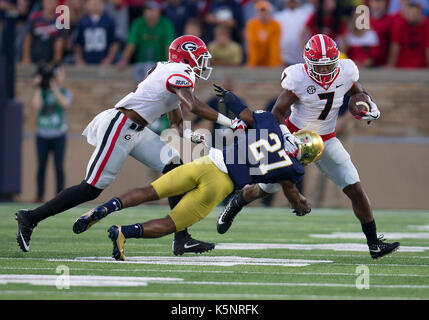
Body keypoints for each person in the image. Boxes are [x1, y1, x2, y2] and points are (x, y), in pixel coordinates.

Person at [15, 35, 246, 256]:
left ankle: (181, 239)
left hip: (137, 130)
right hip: (121, 125)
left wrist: (188, 133)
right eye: (201, 57)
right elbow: (194, 106)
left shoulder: (171, 72)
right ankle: (31, 217)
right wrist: (232, 121)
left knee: (176, 168)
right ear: (187, 57)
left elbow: (175, 118)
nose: (204, 63)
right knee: (91, 188)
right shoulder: (179, 70)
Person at [217, 34, 400, 260]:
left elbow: (358, 92)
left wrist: (369, 105)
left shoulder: (347, 70)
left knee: (354, 186)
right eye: (319, 67)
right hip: (294, 136)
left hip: (327, 138)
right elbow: (277, 112)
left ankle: (374, 244)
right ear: (307, 64)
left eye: (328, 66)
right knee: (267, 188)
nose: (324, 72)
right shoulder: (299, 78)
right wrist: (286, 136)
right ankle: (237, 202)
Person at [80, 93, 324, 261]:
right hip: (219, 184)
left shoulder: (270, 123)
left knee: (150, 191)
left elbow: (246, 113)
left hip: (207, 162)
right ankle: (124, 232)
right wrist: (303, 205)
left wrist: (229, 97)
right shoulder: (292, 168)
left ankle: (104, 208)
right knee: (170, 223)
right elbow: (292, 193)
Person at [31, 64, 72, 203]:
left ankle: (59, 197)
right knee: (41, 167)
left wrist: (54, 88)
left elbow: (65, 103)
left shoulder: (65, 91)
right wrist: (37, 87)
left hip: (58, 134)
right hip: (42, 134)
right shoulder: (41, 91)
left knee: (59, 167)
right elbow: (36, 106)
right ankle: (39, 195)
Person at [116, 1, 175, 69]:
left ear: (159, 11)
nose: (150, 13)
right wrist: (124, 60)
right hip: (141, 64)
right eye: (147, 10)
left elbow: (168, 46)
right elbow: (131, 44)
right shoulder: (138, 23)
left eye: (153, 10)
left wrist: (169, 64)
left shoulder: (166, 24)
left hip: (161, 65)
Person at [73, 0, 121, 65]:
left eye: (97, 2)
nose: (95, 5)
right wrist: (79, 59)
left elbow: (115, 43)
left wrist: (109, 59)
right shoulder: (82, 22)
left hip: (103, 62)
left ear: (102, 4)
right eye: (92, 2)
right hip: (86, 62)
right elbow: (77, 43)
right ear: (87, 5)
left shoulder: (109, 21)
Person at [21, 0, 66, 65]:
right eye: (48, 1)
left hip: (51, 61)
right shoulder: (34, 17)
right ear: (42, 2)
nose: (50, 3)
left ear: (56, 3)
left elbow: (59, 43)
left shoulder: (60, 20)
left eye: (53, 1)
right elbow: (28, 38)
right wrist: (26, 58)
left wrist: (56, 62)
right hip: (34, 60)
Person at [388, 2, 429, 69]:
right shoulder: (400, 24)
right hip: (402, 68)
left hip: (421, 67)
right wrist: (391, 66)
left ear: (420, 14)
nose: (413, 16)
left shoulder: (426, 25)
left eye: (415, 13)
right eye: (410, 13)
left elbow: (427, 49)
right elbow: (395, 47)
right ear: (405, 14)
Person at [274, 0, 315, 66]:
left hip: (302, 58)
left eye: (293, 1)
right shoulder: (278, 16)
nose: (292, 3)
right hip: (283, 57)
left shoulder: (306, 15)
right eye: (290, 1)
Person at [245, 1, 283, 67]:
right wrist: (252, 64)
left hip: (271, 63)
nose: (263, 14)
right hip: (255, 63)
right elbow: (253, 44)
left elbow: (274, 45)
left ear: (269, 13)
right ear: (256, 13)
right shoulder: (251, 25)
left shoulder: (275, 25)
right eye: (260, 11)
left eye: (265, 11)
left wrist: (274, 64)